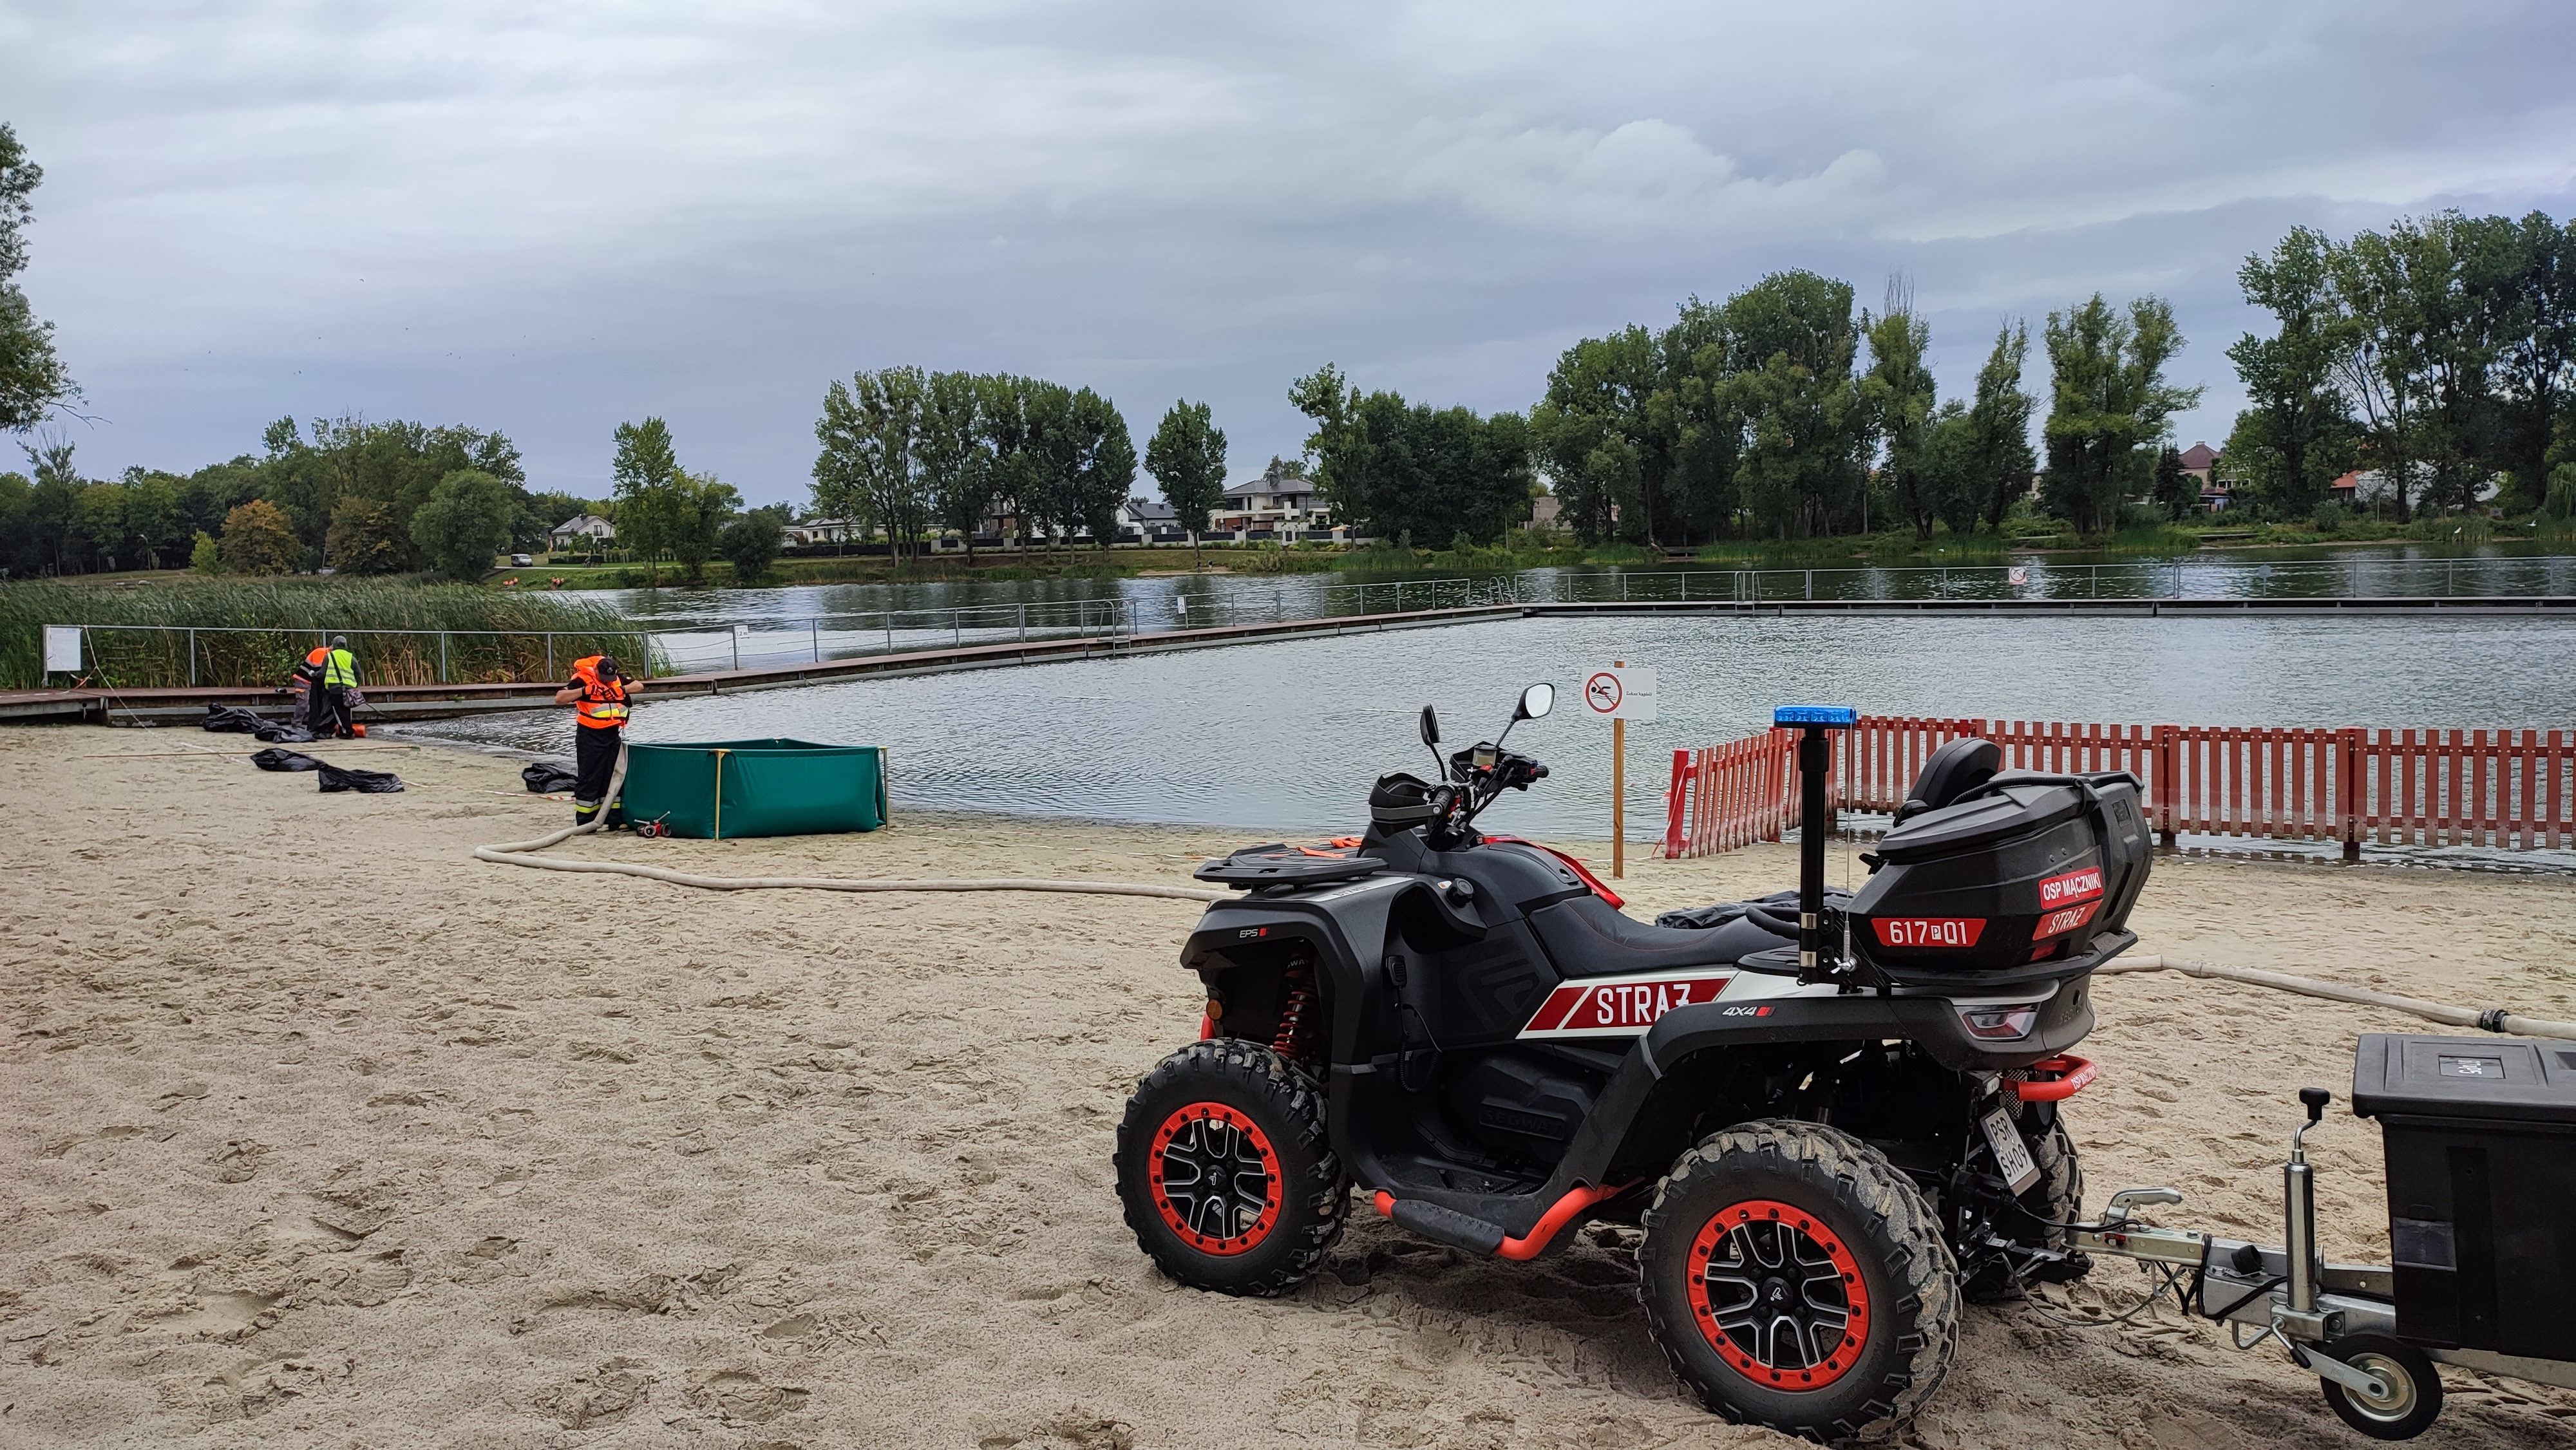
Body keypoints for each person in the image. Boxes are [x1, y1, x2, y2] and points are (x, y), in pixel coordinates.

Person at [555, 654, 639, 828]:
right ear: (596, 671)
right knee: (590, 778)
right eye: (604, 679)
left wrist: (621, 690)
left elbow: (639, 686)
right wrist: (585, 691)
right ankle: (586, 822)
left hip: (612, 735)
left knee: (614, 776)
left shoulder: (616, 679)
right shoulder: (582, 680)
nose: (608, 682)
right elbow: (560, 698)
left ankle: (614, 820)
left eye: (611, 678)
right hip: (590, 736)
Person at [316, 635, 361, 738]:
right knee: (346, 710)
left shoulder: (329, 656)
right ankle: (345, 730)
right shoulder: (351, 657)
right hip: (349, 688)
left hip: (335, 688)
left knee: (339, 711)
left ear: (334, 644)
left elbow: (322, 673)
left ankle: (348, 732)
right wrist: (356, 685)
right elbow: (358, 673)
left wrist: (314, 674)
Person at [292, 644, 330, 733]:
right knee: (303, 702)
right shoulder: (321, 653)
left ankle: (298, 722)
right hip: (303, 680)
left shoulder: (325, 653)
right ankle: (296, 722)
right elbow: (318, 670)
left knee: (305, 701)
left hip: (308, 681)